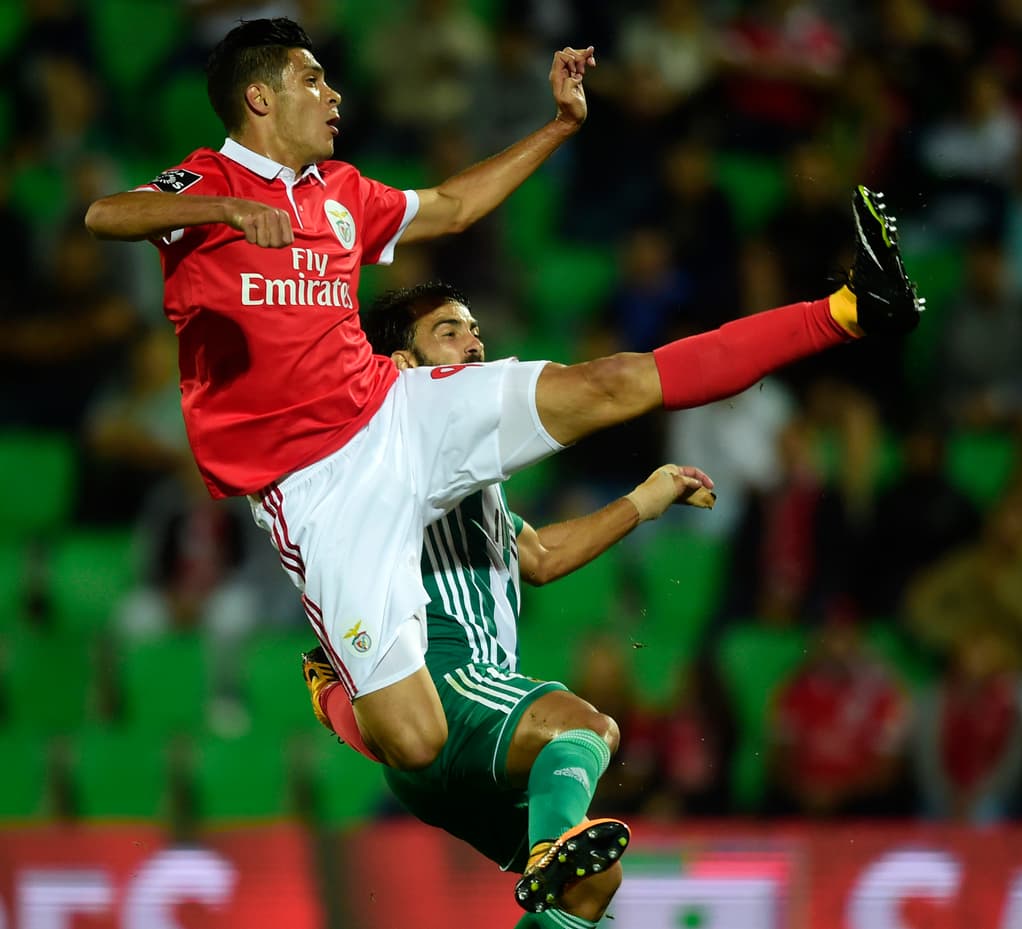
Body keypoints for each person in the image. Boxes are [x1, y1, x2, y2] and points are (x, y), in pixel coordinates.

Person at [83, 14, 922, 910]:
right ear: (260, 97)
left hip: (394, 406)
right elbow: (106, 213)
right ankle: (352, 699)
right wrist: (218, 210)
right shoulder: (208, 185)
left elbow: (450, 206)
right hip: (319, 486)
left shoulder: (338, 191)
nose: (334, 95)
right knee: (409, 739)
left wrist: (559, 126)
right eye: (313, 79)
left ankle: (849, 308)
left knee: (610, 385)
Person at [303, 281, 715, 923]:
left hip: (434, 746)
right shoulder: (408, 441)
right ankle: (554, 839)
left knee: (589, 886)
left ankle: (558, 849)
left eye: (474, 328)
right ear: (403, 366)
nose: (475, 341)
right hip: (447, 685)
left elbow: (540, 557)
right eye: (449, 330)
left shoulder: (458, 471)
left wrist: (642, 501)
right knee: (585, 728)